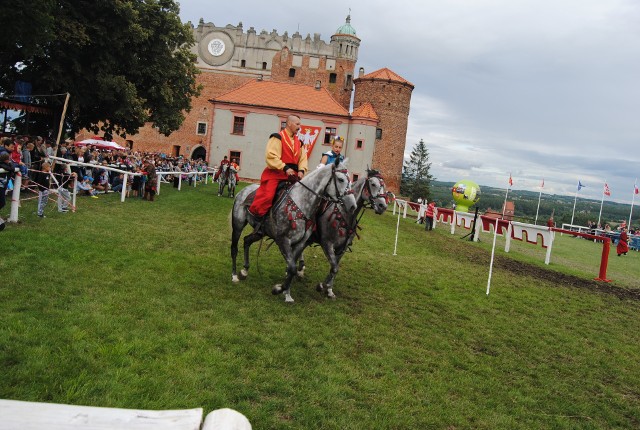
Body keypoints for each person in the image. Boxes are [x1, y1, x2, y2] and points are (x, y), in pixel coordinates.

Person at [248, 114, 308, 221]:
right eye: (297, 124)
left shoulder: (299, 143)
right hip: (276, 174)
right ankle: (258, 221)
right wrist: (285, 168)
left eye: (300, 124)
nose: (299, 127)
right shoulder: (277, 137)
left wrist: (301, 171)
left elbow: (303, 159)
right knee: (268, 196)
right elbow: (271, 156)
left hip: (293, 176)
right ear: (289, 123)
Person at [0, 152, 15, 231]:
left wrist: (10, 163)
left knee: (2, 202)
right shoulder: (1, 164)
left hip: (3, 185)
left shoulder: (7, 164)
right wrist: (10, 164)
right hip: (1, 186)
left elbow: (12, 167)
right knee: (2, 202)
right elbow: (10, 168)